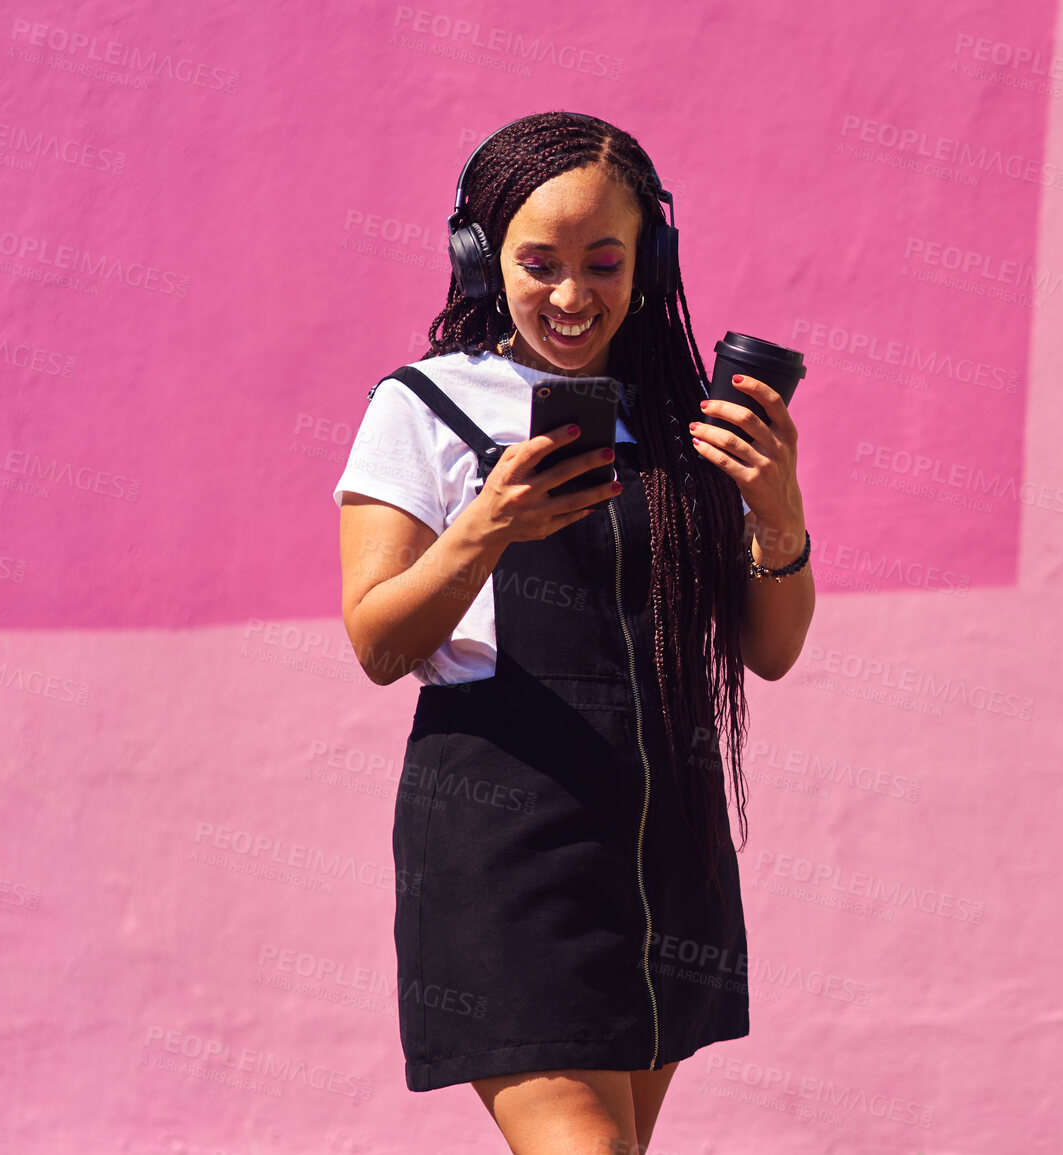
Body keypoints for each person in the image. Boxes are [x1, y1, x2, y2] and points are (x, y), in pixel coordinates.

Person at [332, 111, 815, 1154]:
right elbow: (375, 642)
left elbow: (769, 652)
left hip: (666, 861)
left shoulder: (683, 421)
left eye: (604, 261)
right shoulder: (425, 408)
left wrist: (779, 515)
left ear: (649, 263)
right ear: (480, 258)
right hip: (511, 862)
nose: (570, 294)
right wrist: (489, 525)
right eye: (538, 262)